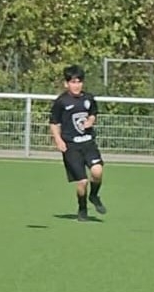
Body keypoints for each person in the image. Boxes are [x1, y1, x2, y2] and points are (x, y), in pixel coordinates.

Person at [49, 65, 107, 222]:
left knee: (97, 172)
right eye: (73, 82)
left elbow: (93, 113)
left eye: (79, 81)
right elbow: (54, 122)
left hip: (88, 143)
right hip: (71, 146)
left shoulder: (88, 98)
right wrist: (58, 140)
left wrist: (90, 121)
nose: (76, 85)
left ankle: (94, 195)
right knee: (82, 181)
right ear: (66, 83)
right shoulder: (61, 101)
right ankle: (82, 209)